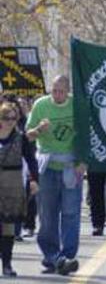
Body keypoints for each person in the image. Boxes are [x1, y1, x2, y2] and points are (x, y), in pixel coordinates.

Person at [25, 76, 84, 276]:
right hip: (47, 167)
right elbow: (28, 135)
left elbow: (88, 135)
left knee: (70, 213)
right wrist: (39, 129)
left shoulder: (77, 105)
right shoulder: (41, 105)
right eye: (54, 91)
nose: (57, 95)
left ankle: (66, 257)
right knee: (48, 214)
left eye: (61, 91)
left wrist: (83, 162)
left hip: (70, 166)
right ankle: (53, 257)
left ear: (68, 91)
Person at [0, 103, 38, 277]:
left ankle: (7, 264)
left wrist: (34, 180)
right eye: (6, 118)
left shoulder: (21, 138)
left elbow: (31, 160)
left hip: (13, 183)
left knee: (8, 226)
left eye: (14, 118)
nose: (10, 122)